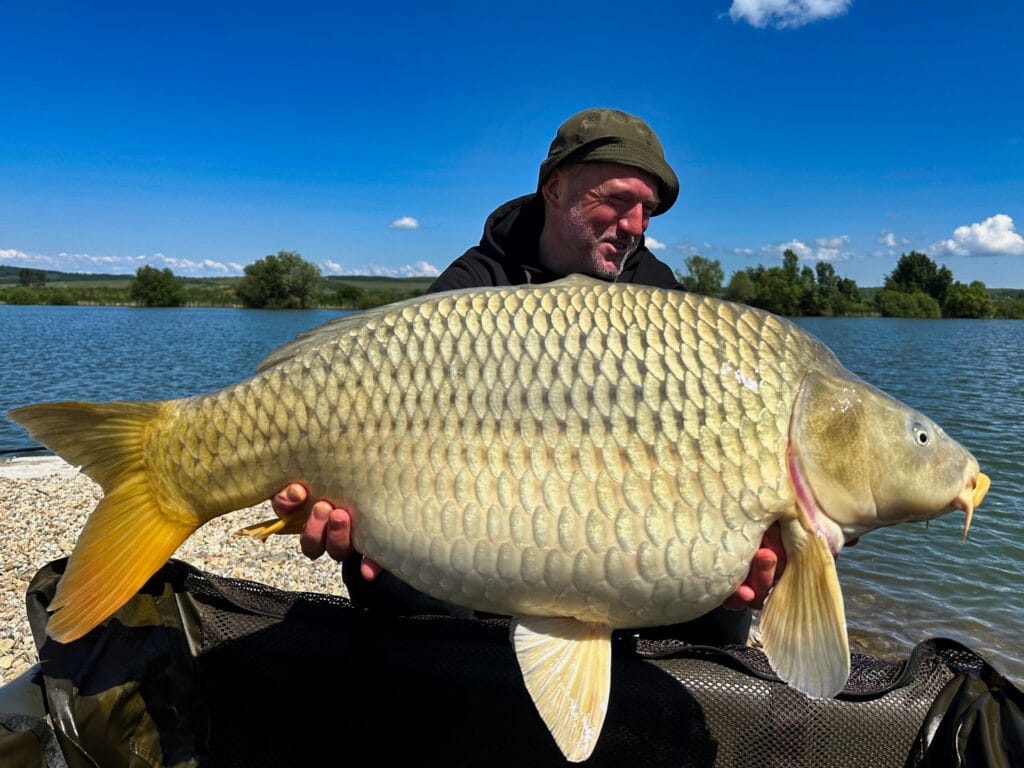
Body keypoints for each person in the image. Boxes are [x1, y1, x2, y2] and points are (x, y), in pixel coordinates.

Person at [272, 108, 784, 642]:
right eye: (615, 200)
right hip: (475, 519)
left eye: (647, 210)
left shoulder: (658, 298)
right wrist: (334, 489)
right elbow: (381, 405)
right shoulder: (474, 281)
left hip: (601, 526)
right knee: (379, 559)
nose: (634, 225)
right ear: (555, 189)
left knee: (729, 596)